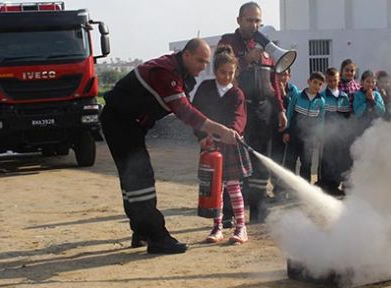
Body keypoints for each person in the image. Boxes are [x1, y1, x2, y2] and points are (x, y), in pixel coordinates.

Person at [99, 38, 239, 254]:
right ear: (186, 56)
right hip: (120, 121)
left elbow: (187, 108)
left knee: (132, 180)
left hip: (129, 124)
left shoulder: (181, 73)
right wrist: (221, 130)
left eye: (206, 62)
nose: (203, 67)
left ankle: (142, 231)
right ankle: (157, 237)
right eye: (200, 61)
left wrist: (202, 136)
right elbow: (184, 111)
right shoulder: (166, 72)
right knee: (140, 178)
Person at [217, 2, 288, 223]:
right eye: (249, 20)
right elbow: (221, 70)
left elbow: (274, 80)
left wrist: (280, 109)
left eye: (258, 20)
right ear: (239, 20)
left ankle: (257, 209)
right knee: (233, 161)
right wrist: (246, 59)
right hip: (237, 108)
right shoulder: (227, 42)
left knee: (261, 161)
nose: (254, 25)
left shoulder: (268, 47)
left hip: (264, 110)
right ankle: (228, 213)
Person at [192, 46, 252, 244]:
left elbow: (239, 117)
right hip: (210, 146)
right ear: (215, 71)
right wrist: (201, 136)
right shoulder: (205, 89)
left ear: (235, 73)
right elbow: (195, 114)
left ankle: (241, 228)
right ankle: (217, 228)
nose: (226, 77)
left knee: (234, 188)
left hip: (231, 145)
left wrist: (232, 132)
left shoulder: (237, 94)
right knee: (215, 188)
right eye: (222, 72)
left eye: (230, 73)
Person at [282, 72, 326, 182]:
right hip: (294, 135)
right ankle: (287, 189)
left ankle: (304, 191)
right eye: (315, 82)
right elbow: (289, 113)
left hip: (309, 139)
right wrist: (287, 131)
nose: (317, 86)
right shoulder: (297, 95)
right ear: (309, 81)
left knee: (307, 164)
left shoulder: (321, 101)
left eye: (320, 84)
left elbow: (321, 121)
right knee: (290, 163)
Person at [316, 67, 351, 196]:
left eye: (335, 80)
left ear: (339, 79)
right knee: (325, 160)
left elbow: (347, 117)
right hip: (326, 135)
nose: (332, 83)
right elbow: (320, 117)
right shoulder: (322, 96)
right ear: (326, 81)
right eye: (329, 80)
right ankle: (325, 185)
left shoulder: (344, 97)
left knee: (337, 160)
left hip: (340, 136)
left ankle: (335, 185)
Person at [269, 68, 299, 200]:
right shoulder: (270, 88)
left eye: (285, 74)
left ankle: (288, 187)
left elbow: (291, 112)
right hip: (273, 130)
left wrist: (284, 95)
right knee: (275, 160)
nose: (283, 77)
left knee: (288, 161)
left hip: (287, 131)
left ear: (290, 76)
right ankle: (277, 188)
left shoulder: (294, 91)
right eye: (280, 75)